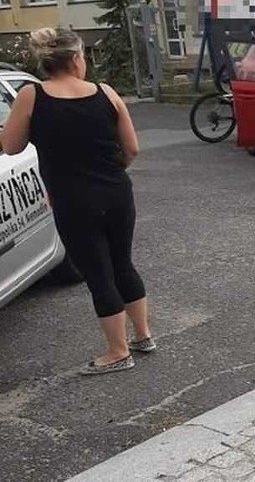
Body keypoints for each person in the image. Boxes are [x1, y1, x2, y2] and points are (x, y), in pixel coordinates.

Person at [0, 28, 154, 375]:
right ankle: (142, 336)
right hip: (117, 193)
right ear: (75, 59)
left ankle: (117, 351)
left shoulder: (31, 96)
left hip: (73, 200)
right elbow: (131, 149)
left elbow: (10, 147)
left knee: (98, 272)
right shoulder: (106, 93)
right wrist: (113, 172)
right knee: (123, 264)